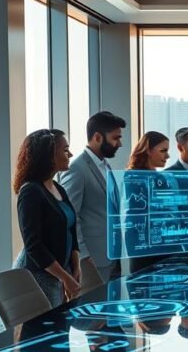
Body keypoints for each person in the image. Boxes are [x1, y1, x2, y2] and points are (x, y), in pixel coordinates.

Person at [12, 129, 81, 306]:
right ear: (49, 155)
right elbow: (34, 245)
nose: (70, 154)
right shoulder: (30, 192)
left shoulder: (58, 188)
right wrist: (65, 277)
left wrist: (76, 266)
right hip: (36, 277)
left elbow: (71, 230)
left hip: (58, 275)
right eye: (65, 150)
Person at [61, 111, 126, 283]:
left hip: (113, 255)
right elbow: (70, 217)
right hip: (92, 259)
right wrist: (82, 256)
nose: (120, 143)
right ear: (97, 137)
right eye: (115, 138)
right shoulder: (78, 168)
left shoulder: (106, 165)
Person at [124, 131, 171, 275]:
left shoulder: (161, 179)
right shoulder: (132, 176)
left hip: (163, 241)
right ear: (148, 151)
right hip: (142, 242)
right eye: (163, 151)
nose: (167, 156)